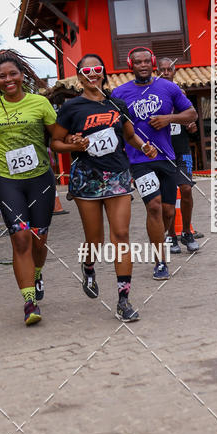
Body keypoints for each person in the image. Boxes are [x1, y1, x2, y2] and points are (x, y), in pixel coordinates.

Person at [52, 54, 157, 321]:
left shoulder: (117, 104)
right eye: (86, 71)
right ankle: (89, 266)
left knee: (121, 235)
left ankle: (124, 300)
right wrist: (73, 144)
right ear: (79, 77)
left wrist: (144, 146)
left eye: (97, 69)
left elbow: (130, 135)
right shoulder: (71, 107)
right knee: (95, 240)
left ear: (103, 73)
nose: (92, 75)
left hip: (118, 175)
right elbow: (55, 143)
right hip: (87, 178)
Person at [0, 49, 65, 326]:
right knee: (21, 238)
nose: (8, 79)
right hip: (7, 180)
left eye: (13, 74)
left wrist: (75, 136)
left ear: (22, 75)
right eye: (2, 76)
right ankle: (29, 301)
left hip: (40, 180)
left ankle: (36, 273)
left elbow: (58, 135)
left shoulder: (40, 103)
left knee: (39, 238)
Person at [111, 47, 198, 281]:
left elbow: (192, 114)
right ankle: (160, 262)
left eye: (146, 61)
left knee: (168, 211)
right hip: (139, 160)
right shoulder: (119, 93)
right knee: (154, 206)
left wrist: (169, 118)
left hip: (167, 158)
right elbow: (113, 127)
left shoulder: (169, 88)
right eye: (138, 62)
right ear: (131, 65)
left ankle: (167, 236)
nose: (143, 65)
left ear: (152, 64)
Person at [158, 58, 200, 254]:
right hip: (162, 153)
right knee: (167, 196)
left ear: (174, 72)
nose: (166, 72)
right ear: (157, 72)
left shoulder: (181, 95)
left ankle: (187, 233)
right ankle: (171, 235)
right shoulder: (153, 96)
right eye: (162, 70)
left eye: (169, 69)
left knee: (186, 189)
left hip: (182, 151)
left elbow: (192, 122)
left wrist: (191, 127)